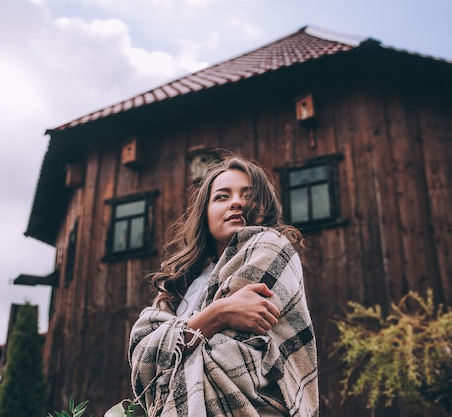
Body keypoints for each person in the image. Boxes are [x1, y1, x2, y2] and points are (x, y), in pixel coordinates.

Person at [128, 155, 319, 416]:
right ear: (205, 213)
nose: (237, 202)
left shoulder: (270, 249)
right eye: (222, 197)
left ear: (265, 207)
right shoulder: (179, 284)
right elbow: (141, 356)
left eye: (247, 195)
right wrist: (218, 314)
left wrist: (176, 341)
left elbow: (231, 351)